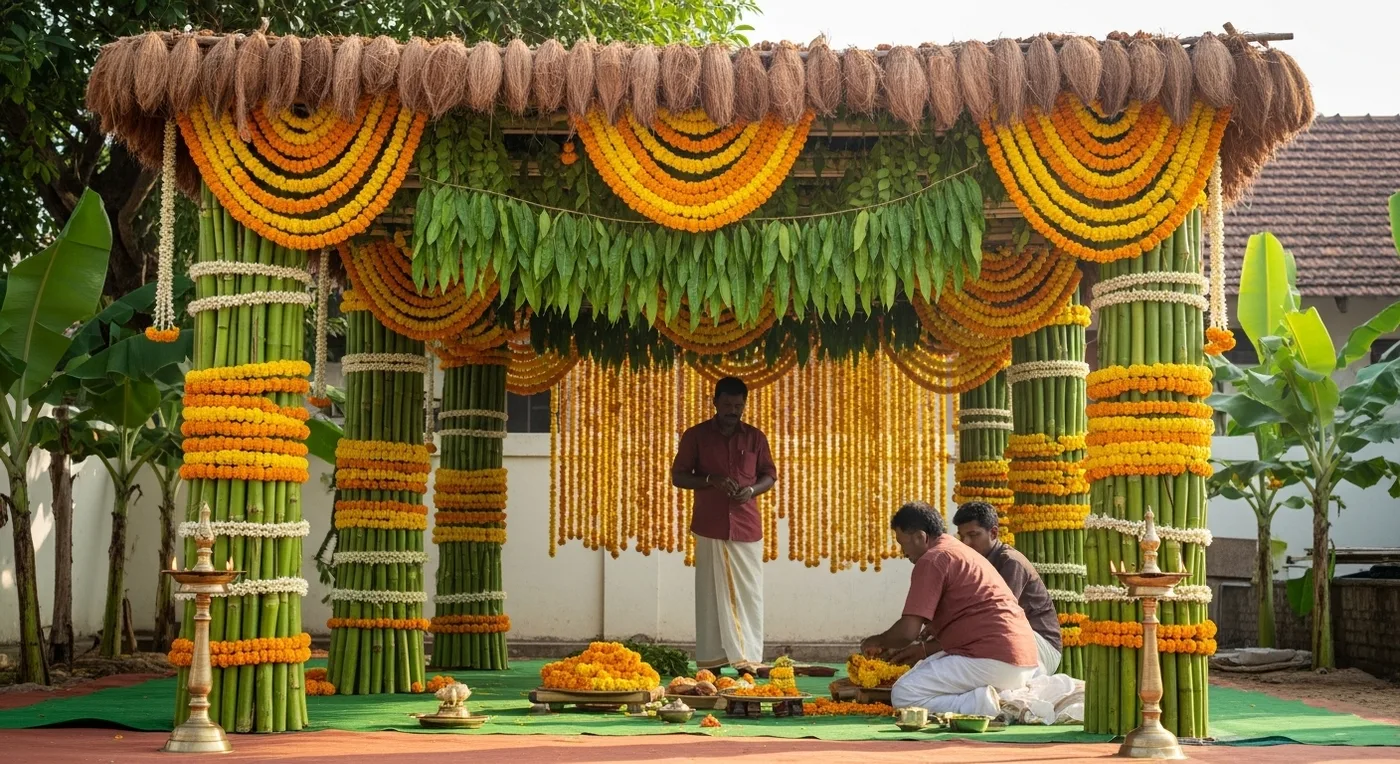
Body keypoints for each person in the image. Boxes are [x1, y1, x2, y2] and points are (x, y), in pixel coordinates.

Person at [861, 501, 1037, 717]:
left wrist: (875, 641)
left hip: (996, 661)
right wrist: (895, 645)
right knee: (921, 670)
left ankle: (988, 704)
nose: (902, 552)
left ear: (921, 537)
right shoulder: (958, 550)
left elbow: (908, 632)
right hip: (1023, 661)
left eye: (902, 543)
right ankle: (1001, 697)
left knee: (905, 693)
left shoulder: (933, 559)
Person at [671, 376, 776, 672]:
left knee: (750, 596)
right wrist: (710, 481)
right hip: (710, 526)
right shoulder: (696, 436)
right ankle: (712, 664)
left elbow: (769, 474)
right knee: (709, 597)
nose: (733, 410)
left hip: (747, 528)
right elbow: (678, 476)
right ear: (715, 402)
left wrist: (752, 490)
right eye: (727, 404)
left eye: (738, 405)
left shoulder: (756, 437)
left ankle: (748, 662)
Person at [951, 501, 1063, 677]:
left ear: (994, 532)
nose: (966, 543)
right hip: (1011, 639)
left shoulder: (1010, 562)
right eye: (962, 536)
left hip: (1042, 646)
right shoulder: (977, 562)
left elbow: (994, 617)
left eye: (973, 535)